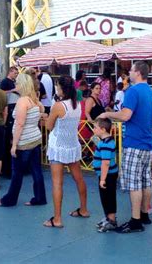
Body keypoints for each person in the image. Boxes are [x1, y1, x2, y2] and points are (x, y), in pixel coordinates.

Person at [98, 61, 152, 233]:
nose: (128, 73)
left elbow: (125, 115)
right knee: (146, 181)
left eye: (131, 70)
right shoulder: (150, 92)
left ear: (137, 72)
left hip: (134, 143)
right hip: (147, 143)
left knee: (134, 183)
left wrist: (107, 113)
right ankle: (144, 214)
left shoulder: (133, 91)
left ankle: (135, 220)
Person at [43, 75, 89, 228]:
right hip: (72, 145)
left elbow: (49, 126)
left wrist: (44, 117)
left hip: (58, 146)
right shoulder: (77, 105)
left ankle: (57, 218)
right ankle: (83, 209)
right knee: (79, 179)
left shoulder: (58, 106)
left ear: (62, 88)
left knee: (57, 183)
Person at [0, 74, 47, 207]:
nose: (14, 85)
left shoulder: (22, 101)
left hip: (24, 141)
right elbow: (41, 111)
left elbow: (19, 123)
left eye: (17, 83)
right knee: (36, 170)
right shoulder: (33, 99)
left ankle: (9, 199)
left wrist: (14, 144)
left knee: (17, 172)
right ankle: (40, 197)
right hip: (35, 138)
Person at [92, 118, 118, 233]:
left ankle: (111, 220)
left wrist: (103, 179)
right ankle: (108, 217)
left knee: (108, 197)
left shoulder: (106, 144)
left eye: (95, 127)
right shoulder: (104, 142)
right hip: (106, 175)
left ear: (102, 129)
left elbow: (105, 162)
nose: (93, 130)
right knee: (105, 197)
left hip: (108, 175)